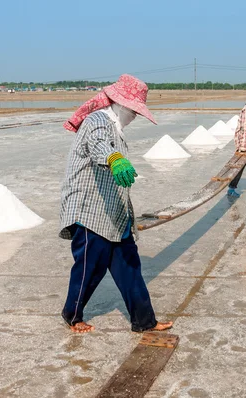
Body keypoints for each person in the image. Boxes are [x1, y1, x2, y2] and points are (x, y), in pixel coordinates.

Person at [59, 74, 173, 333]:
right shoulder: (97, 121)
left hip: (113, 213)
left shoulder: (116, 128)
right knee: (89, 268)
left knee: (130, 267)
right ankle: (72, 315)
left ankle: (145, 321)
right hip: (91, 211)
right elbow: (99, 144)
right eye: (133, 110)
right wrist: (113, 158)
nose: (134, 116)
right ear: (120, 104)